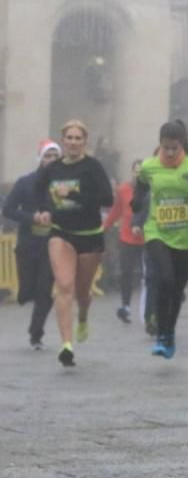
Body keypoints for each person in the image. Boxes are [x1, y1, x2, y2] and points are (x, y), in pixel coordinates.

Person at [131, 121, 188, 359]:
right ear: (160, 144)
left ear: (183, 144)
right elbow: (139, 190)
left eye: (174, 148)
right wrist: (136, 202)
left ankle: (169, 334)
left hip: (186, 236)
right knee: (164, 279)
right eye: (165, 147)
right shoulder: (149, 166)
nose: (169, 153)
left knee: (177, 289)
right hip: (156, 231)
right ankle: (160, 334)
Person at [35, 121, 114, 367]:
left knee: (82, 291)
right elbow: (39, 191)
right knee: (64, 285)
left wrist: (75, 195)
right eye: (68, 137)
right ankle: (66, 345)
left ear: (84, 141)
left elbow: (107, 199)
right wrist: (44, 210)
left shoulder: (92, 167)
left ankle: (83, 317)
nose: (72, 142)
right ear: (63, 140)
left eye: (78, 138)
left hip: (90, 235)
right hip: (61, 232)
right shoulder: (52, 169)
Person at [2, 140, 61, 349]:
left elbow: (75, 209)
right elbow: (8, 209)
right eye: (48, 156)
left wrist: (55, 216)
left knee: (44, 290)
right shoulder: (25, 182)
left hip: (53, 244)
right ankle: (26, 293)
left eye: (55, 156)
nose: (51, 160)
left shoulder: (64, 185)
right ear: (40, 158)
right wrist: (32, 217)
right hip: (28, 244)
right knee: (27, 290)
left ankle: (36, 333)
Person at [103, 159, 146, 325]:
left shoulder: (152, 189)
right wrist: (104, 228)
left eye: (142, 171)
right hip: (127, 238)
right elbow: (115, 211)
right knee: (126, 273)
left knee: (147, 275)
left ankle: (149, 308)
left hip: (147, 238)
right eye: (136, 171)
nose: (138, 174)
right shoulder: (123, 190)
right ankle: (125, 306)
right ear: (132, 172)